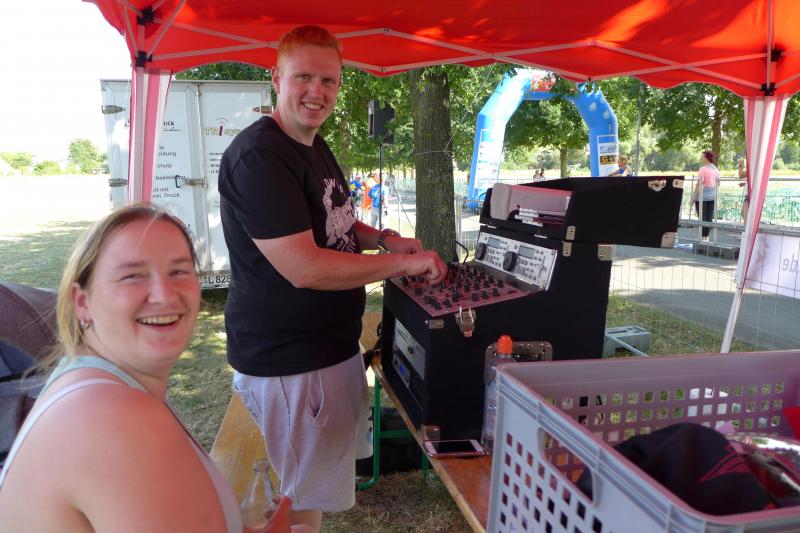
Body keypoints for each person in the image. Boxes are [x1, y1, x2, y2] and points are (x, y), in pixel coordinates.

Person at [217, 25, 447, 533]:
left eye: (329, 80)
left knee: (308, 493)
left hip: (325, 352)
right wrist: (405, 265)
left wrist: (384, 239)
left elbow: (335, 222)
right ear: (276, 77)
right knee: (301, 506)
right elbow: (305, 266)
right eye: (303, 77)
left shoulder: (311, 143)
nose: (316, 92)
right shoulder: (261, 156)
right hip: (292, 361)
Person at [0, 204, 295, 532]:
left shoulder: (96, 384)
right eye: (133, 275)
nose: (164, 294)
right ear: (82, 302)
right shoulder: (113, 416)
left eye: (179, 271)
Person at [691, 149, 721, 240]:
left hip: (702, 196)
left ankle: (702, 237)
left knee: (702, 218)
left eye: (701, 157)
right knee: (708, 218)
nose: (700, 159)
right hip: (712, 196)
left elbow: (698, 184)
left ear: (706, 158)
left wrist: (693, 197)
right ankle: (706, 237)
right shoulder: (715, 169)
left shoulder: (703, 169)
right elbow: (718, 183)